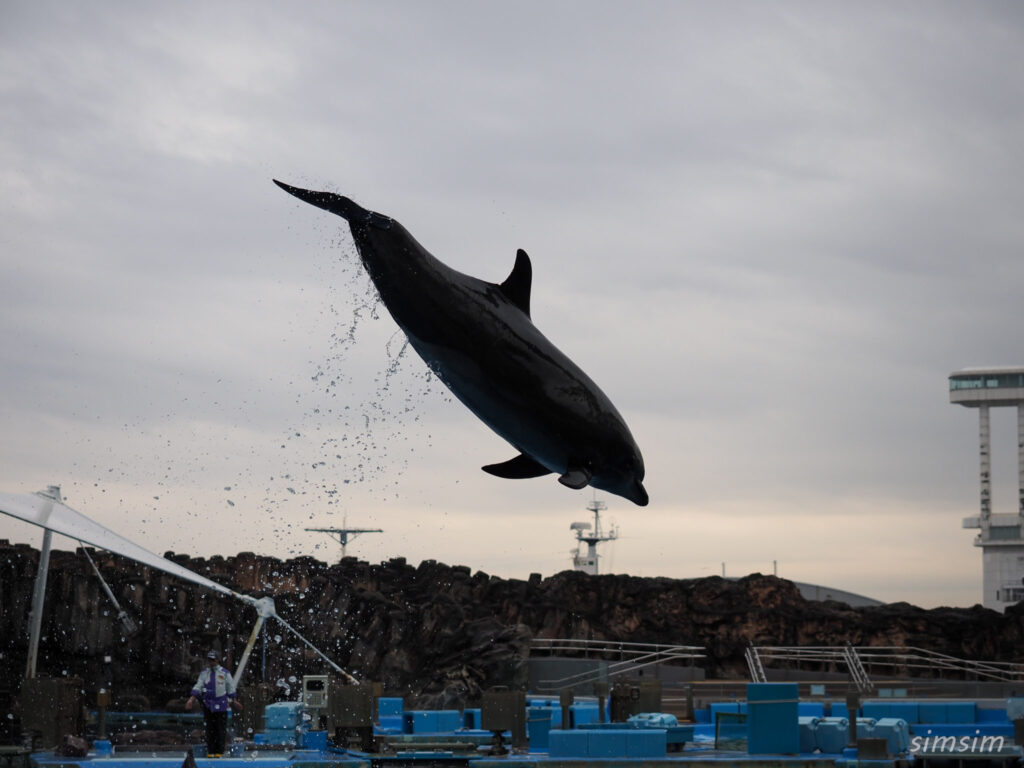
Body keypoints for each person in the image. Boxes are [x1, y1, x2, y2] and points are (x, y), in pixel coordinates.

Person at [186, 650, 242, 757]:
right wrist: (191, 700)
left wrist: (234, 700)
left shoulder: (224, 673)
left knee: (220, 728)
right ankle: (210, 750)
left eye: (213, 660)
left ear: (217, 660)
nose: (211, 662)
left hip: (221, 705)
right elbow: (198, 686)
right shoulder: (204, 673)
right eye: (210, 660)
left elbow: (230, 687)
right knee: (209, 728)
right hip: (208, 704)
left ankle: (219, 751)